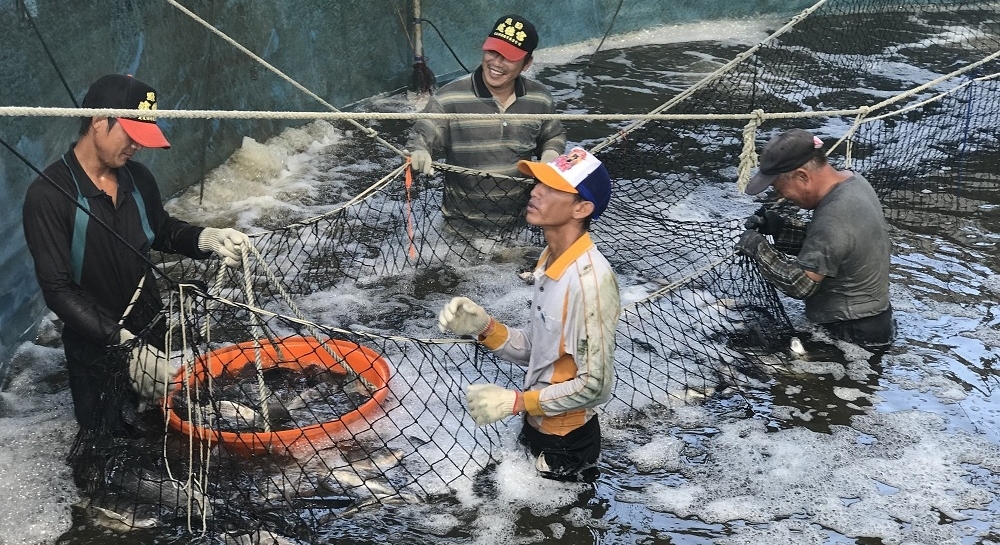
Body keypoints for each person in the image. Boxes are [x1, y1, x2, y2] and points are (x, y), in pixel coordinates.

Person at [22, 73, 251, 437]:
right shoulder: (48, 195)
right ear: (99, 121)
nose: (137, 147)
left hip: (151, 332)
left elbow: (160, 229)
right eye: (131, 135)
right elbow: (58, 290)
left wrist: (207, 239)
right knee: (110, 449)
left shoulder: (137, 177)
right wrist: (123, 344)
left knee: (167, 432)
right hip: (97, 348)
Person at [437, 147, 620, 480]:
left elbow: (596, 386)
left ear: (582, 208)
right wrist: (485, 328)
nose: (535, 191)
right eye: (539, 183)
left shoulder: (590, 283)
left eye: (552, 188)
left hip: (567, 441)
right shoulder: (548, 259)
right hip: (537, 422)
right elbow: (542, 351)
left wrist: (518, 402)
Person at [735, 128, 894, 349]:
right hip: (876, 320)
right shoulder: (853, 181)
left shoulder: (834, 216)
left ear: (802, 176)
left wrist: (757, 247)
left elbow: (801, 285)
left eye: (778, 188)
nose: (780, 196)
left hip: (852, 335)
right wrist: (780, 228)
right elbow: (835, 248)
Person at [406, 14, 567, 229]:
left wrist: (551, 155)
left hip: (520, 226)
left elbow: (553, 134)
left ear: (527, 63)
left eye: (508, 57)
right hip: (461, 229)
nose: (496, 63)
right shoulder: (449, 98)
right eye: (493, 51)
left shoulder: (540, 98)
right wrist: (419, 152)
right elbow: (420, 137)